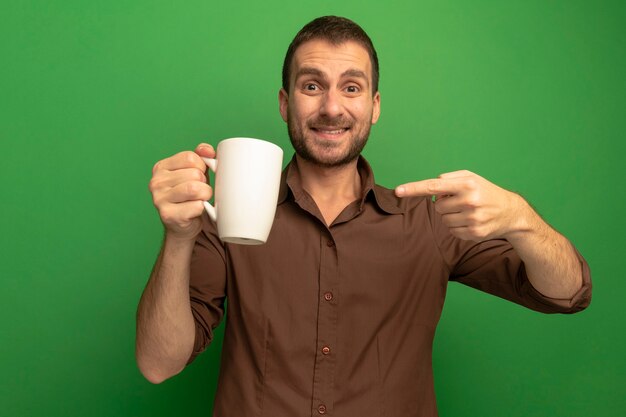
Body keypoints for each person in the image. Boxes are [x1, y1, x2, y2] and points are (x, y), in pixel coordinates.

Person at [136, 15, 591, 417]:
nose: (331, 107)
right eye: (311, 85)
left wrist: (520, 218)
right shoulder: (226, 218)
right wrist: (177, 236)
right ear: (284, 103)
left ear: (374, 106)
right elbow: (158, 364)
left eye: (351, 87)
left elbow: (566, 293)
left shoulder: (429, 223)